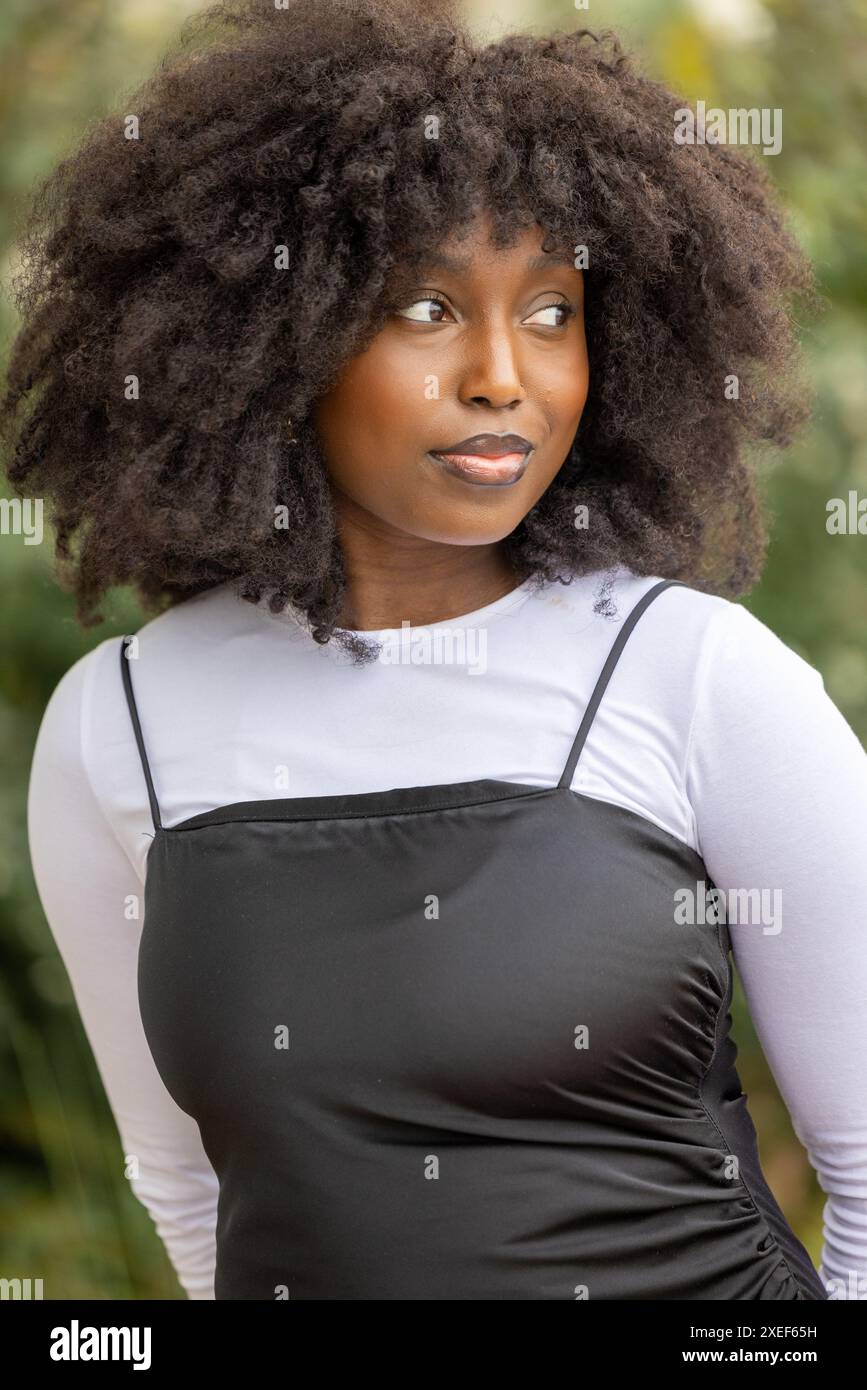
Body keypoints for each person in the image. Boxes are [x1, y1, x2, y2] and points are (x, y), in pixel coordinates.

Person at [4, 0, 865, 1300]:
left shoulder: (697, 677)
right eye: (425, 305)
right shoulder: (117, 723)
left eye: (554, 311)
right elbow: (191, 1186)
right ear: (265, 340)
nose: (503, 375)